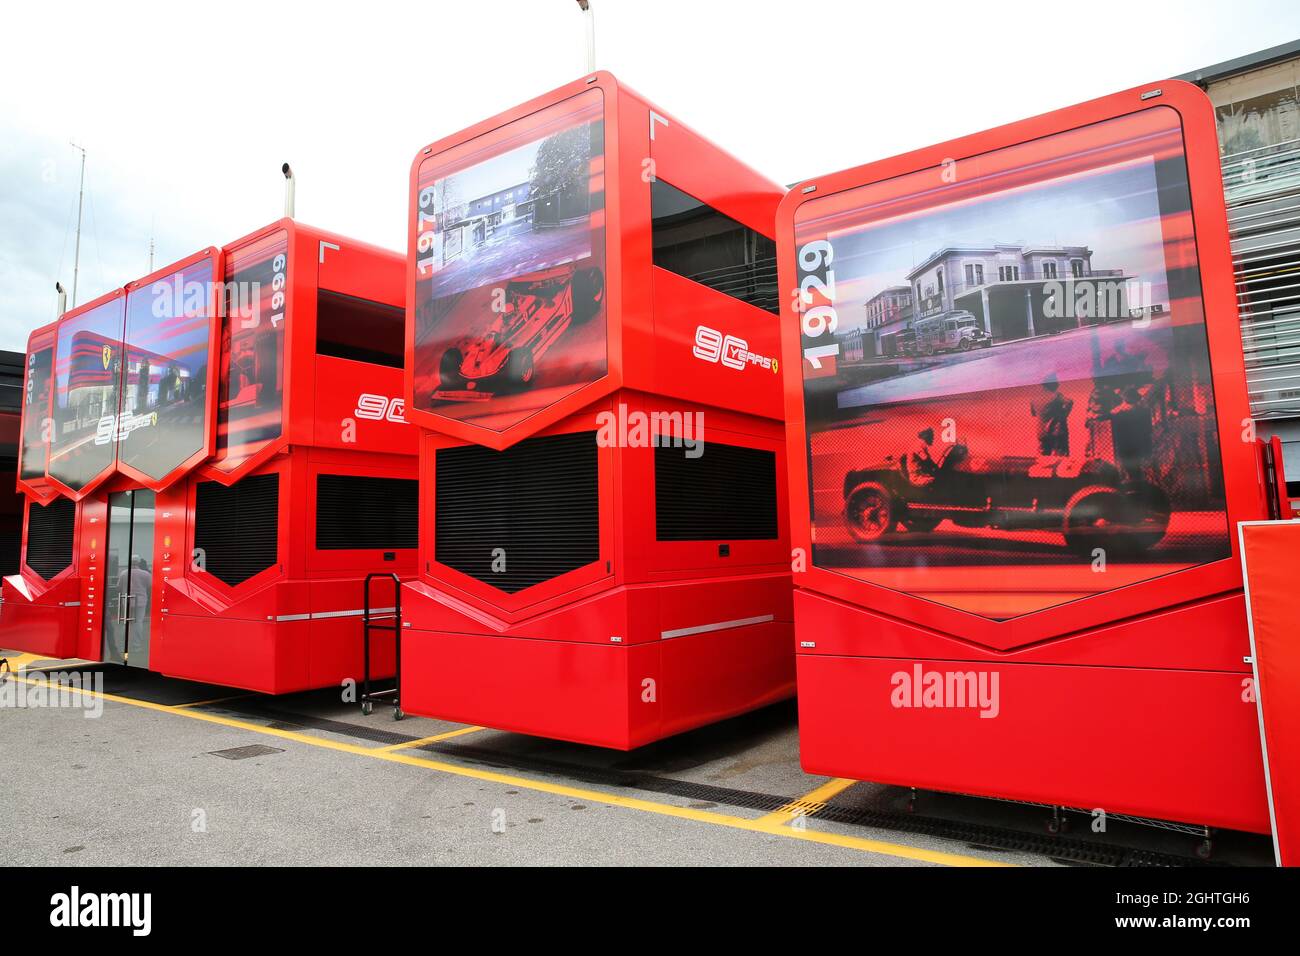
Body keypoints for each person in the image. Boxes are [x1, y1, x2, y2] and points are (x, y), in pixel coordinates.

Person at [1031, 373, 1073, 456]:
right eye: (1056, 382)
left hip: (1042, 432)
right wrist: (1064, 415)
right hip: (1057, 431)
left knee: (1044, 459)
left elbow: (1033, 414)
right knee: (1061, 458)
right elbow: (1070, 402)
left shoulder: (1034, 399)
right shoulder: (1057, 396)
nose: (1058, 384)